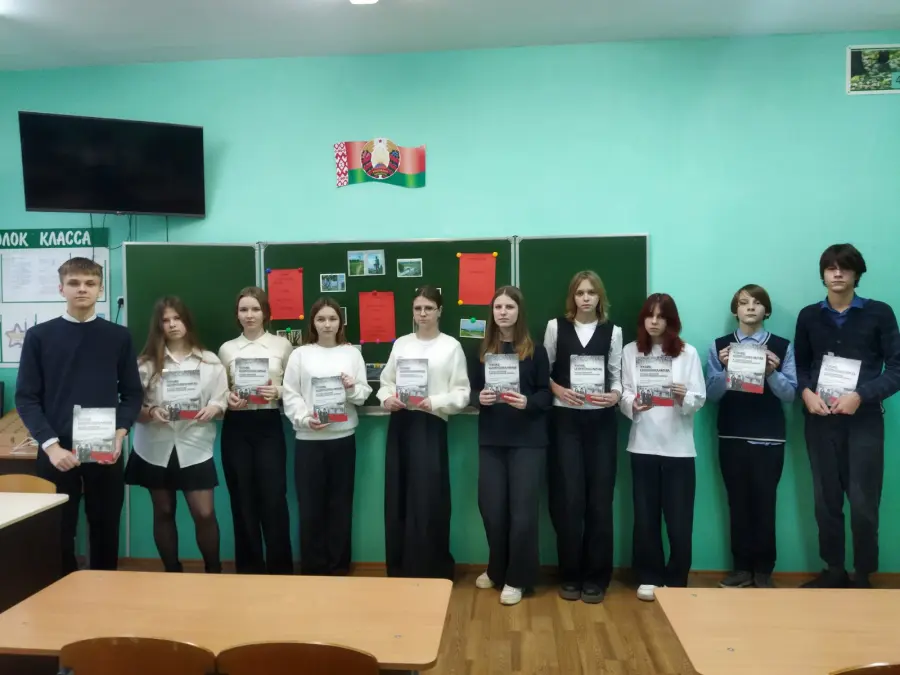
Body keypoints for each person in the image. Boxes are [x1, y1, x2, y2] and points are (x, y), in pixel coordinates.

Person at [15, 257, 143, 575]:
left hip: (105, 448)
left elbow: (132, 394)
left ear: (100, 289)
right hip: (57, 449)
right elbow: (26, 397)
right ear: (62, 289)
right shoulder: (39, 336)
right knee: (58, 530)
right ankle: (61, 589)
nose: (82, 289)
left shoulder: (119, 337)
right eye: (74, 283)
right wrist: (51, 446)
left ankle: (103, 590)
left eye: (90, 283)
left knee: (105, 528)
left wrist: (120, 434)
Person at [794, 244, 900, 589]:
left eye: (845, 268)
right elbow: (800, 365)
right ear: (823, 274)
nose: (837, 273)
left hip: (864, 419)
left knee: (864, 500)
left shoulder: (879, 313)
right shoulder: (809, 316)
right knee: (825, 499)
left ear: (857, 274)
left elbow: (897, 369)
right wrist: (806, 393)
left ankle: (863, 574)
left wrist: (861, 395)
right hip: (820, 419)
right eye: (830, 268)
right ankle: (834, 570)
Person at [126, 297, 229, 574]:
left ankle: (214, 572)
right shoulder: (145, 365)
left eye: (177, 318)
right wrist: (151, 411)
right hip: (154, 447)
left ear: (187, 322)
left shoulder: (209, 361)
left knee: (205, 514)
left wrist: (214, 407)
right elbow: (132, 408)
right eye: (166, 320)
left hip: (194, 445)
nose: (172, 324)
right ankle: (172, 572)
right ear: (158, 326)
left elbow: (221, 399)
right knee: (163, 512)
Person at [706, 284, 797, 589]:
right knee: (737, 504)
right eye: (744, 302)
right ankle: (741, 568)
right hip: (732, 435)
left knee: (765, 503)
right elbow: (711, 395)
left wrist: (771, 373)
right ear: (735, 310)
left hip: (769, 437)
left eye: (757, 303)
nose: (750, 307)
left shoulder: (782, 346)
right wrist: (725, 369)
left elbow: (790, 394)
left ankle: (764, 571)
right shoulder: (720, 347)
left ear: (766, 311)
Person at [377, 285, 470, 579]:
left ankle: (432, 569)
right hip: (401, 424)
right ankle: (400, 569)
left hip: (431, 424)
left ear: (439, 311)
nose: (423, 313)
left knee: (429, 498)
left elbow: (462, 392)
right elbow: (385, 382)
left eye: (429, 308)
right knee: (398, 496)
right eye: (418, 308)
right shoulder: (401, 344)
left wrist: (436, 402)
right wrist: (386, 399)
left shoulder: (451, 347)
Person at [543, 270, 623, 604]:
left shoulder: (613, 331)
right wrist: (558, 389)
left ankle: (596, 577)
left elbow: (617, 377)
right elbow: (543, 372)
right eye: (580, 293)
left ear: (599, 296)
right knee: (569, 499)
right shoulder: (555, 327)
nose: (585, 298)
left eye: (591, 292)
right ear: (572, 297)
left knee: (600, 501)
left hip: (601, 422)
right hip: (565, 421)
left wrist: (615, 395)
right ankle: (570, 574)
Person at [620, 293, 706, 602]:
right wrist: (633, 404)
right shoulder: (631, 351)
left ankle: (677, 577)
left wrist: (683, 396)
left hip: (678, 448)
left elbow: (699, 397)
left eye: (661, 316)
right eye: (650, 315)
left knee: (679, 520)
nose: (654, 321)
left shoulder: (688, 353)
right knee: (645, 517)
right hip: (642, 445)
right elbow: (624, 392)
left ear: (671, 321)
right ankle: (649, 576)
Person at [470, 286, 552, 606]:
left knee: (522, 514)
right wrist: (479, 397)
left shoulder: (535, 351)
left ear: (519, 312)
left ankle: (518, 579)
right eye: (498, 307)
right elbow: (470, 391)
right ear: (492, 312)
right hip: (491, 440)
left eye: (509, 307)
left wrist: (528, 402)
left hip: (528, 442)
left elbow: (546, 395)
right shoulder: (482, 350)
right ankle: (497, 569)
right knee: (492, 510)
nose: (503, 312)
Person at [282, 297, 371, 576]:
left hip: (342, 438)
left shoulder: (351, 354)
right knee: (310, 508)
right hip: (309, 440)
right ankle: (313, 569)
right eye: (321, 319)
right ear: (313, 323)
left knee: (340, 506)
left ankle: (338, 567)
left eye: (332, 318)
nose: (327, 324)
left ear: (340, 323)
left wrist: (351, 387)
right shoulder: (300, 355)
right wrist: (304, 419)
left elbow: (362, 395)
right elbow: (291, 394)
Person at [218, 286, 295, 574]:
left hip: (269, 424)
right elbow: (219, 390)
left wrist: (278, 391)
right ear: (237, 315)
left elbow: (295, 387)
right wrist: (228, 398)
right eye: (243, 310)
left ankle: (280, 570)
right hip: (237, 426)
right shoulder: (227, 349)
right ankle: (249, 571)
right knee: (242, 500)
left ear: (266, 313)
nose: (249, 315)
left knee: (274, 498)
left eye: (255, 309)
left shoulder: (282, 346)